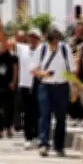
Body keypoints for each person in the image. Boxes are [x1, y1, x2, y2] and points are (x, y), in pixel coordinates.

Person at [33, 28, 74, 157]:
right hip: (45, 86)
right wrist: (43, 73)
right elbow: (33, 69)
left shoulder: (65, 49)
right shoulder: (42, 49)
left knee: (61, 118)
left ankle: (59, 146)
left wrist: (74, 88)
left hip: (62, 86)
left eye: (56, 41)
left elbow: (71, 70)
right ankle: (44, 144)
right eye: (52, 42)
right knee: (45, 115)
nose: (54, 44)